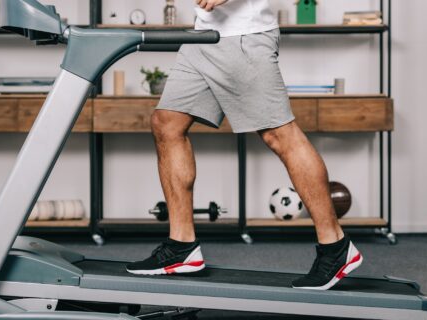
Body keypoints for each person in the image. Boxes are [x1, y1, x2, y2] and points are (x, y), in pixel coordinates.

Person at [127, 0, 363, 290]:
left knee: (279, 135)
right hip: (203, 36)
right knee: (167, 122)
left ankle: (335, 246)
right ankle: (181, 247)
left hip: (244, 39)